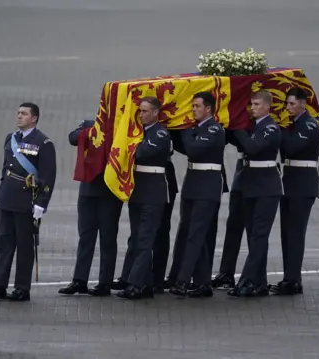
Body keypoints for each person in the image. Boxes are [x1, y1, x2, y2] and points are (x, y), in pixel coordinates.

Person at [0, 102, 57, 302]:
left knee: (24, 245)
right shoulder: (11, 138)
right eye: (18, 113)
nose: (19, 116)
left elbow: (48, 177)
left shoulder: (43, 143)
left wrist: (41, 203)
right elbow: (6, 167)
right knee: (4, 242)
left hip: (25, 200)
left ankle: (22, 288)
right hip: (7, 197)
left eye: (24, 114)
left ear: (34, 118)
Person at [168, 91, 226, 298]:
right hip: (192, 184)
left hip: (207, 187)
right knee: (189, 232)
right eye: (192, 106)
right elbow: (183, 146)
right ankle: (202, 283)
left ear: (208, 108)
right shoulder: (196, 129)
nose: (193, 110)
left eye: (197, 106)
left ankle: (182, 281)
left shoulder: (214, 129)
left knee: (195, 234)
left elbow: (192, 148)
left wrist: (184, 127)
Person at [58, 119, 123, 297]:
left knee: (107, 239)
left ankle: (105, 282)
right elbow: (72, 138)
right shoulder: (91, 124)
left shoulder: (120, 126)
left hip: (110, 191)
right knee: (85, 237)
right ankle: (79, 280)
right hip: (88, 189)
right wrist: (92, 130)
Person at [116, 96, 172, 300]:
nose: (141, 114)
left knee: (145, 239)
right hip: (138, 191)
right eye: (140, 111)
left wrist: (129, 144)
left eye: (146, 111)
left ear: (156, 112)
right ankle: (144, 281)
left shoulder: (160, 134)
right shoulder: (140, 132)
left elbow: (140, 152)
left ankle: (136, 284)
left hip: (153, 192)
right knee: (137, 237)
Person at [227, 91, 282, 297]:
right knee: (253, 237)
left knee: (259, 236)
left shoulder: (270, 128)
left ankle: (248, 281)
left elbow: (253, 147)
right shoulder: (256, 127)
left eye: (257, 104)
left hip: (266, 189)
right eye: (251, 104)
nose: (253, 108)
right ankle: (259, 282)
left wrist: (239, 127)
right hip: (252, 186)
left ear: (267, 106)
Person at [270, 87, 319, 295]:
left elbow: (291, 148)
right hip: (290, 183)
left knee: (295, 233)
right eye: (287, 103)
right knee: (287, 233)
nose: (288, 108)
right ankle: (290, 277)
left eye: (292, 103)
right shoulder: (294, 124)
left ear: (303, 103)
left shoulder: (309, 126)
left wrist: (278, 130)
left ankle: (293, 279)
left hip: (303, 185)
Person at [211, 129, 248, 289]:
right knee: (233, 224)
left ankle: (254, 277)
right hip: (242, 169)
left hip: (259, 173)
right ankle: (226, 272)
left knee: (256, 233)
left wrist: (239, 129)